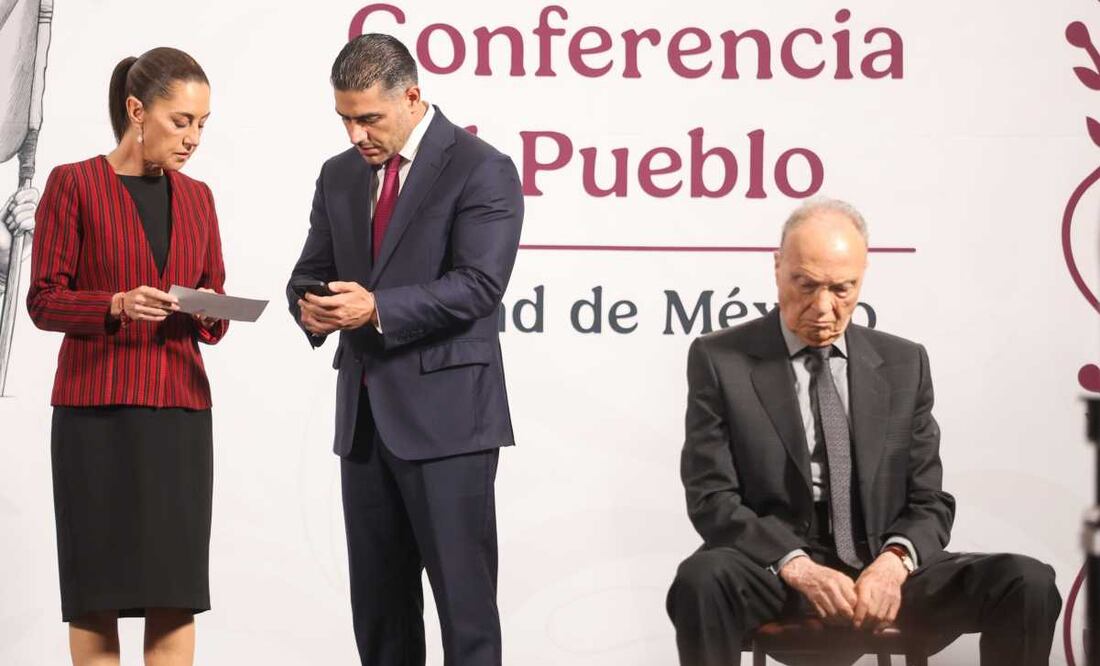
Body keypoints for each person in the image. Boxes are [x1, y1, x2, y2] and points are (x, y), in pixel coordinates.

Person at [665, 198, 1061, 666]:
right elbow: (713, 498)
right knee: (700, 580)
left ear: (863, 276)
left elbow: (929, 501)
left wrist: (894, 565)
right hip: (775, 571)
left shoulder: (904, 363)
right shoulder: (720, 360)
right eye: (806, 285)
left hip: (884, 564)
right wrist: (798, 567)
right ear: (777, 268)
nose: (823, 307)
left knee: (1028, 581)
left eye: (841, 289)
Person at [286, 33, 523, 666]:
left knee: (465, 617)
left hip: (450, 424)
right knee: (381, 618)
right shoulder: (338, 175)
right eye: (345, 119)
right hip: (364, 424)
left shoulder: (482, 166)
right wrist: (310, 306)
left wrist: (378, 308)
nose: (355, 134)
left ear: (412, 97)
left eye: (369, 118)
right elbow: (310, 270)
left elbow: (479, 286)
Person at [26, 47, 227, 666]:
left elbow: (214, 302)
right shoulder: (73, 183)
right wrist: (113, 304)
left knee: (175, 594)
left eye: (201, 123)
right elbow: (43, 301)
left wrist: (208, 310)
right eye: (180, 121)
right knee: (97, 591)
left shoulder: (199, 198)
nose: (193, 138)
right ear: (137, 110)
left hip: (179, 412)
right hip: (96, 415)